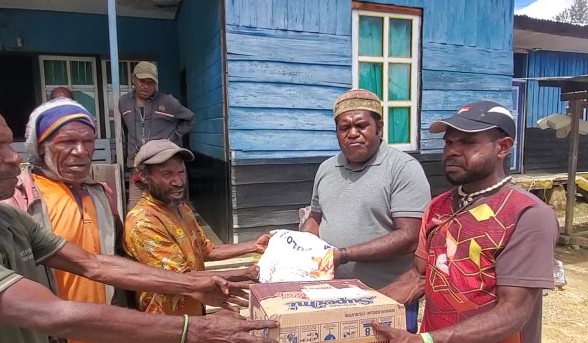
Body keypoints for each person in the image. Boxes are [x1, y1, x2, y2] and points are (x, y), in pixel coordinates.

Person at [0, 78, 276, 343]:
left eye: (10, 144)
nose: (13, 159)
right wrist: (197, 329)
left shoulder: (2, 220)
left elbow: (95, 264)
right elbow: (54, 314)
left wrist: (193, 286)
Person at [374, 101, 559, 343]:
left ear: (503, 147)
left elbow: (514, 312)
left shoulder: (527, 214)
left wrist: (427, 340)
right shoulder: (437, 207)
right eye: (449, 142)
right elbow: (418, 277)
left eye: (468, 142)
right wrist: (361, 304)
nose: (453, 151)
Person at [300, 89, 431, 332]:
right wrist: (296, 247)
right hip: (332, 295)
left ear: (379, 127)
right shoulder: (327, 169)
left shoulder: (402, 168)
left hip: (388, 296)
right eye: (344, 128)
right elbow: (315, 219)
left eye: (361, 125)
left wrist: (343, 254)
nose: (352, 134)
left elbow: (409, 237)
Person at [0, 98, 124, 341]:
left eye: (87, 141)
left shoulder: (101, 194)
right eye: (67, 142)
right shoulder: (18, 199)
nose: (81, 151)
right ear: (41, 147)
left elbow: (116, 257)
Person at [124, 139, 272, 315]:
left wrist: (253, 246)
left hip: (194, 310)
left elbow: (207, 250)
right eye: (167, 174)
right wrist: (245, 273)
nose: (178, 181)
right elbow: (181, 279)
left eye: (181, 172)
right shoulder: (143, 222)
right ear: (144, 177)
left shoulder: (181, 208)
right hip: (166, 323)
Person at [119, 61, 196, 208]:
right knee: (135, 207)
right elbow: (126, 129)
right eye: (142, 81)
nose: (145, 86)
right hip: (137, 164)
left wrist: (172, 139)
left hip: (163, 165)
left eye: (150, 82)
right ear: (133, 79)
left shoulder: (168, 102)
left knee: (170, 206)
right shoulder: (124, 102)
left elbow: (190, 118)